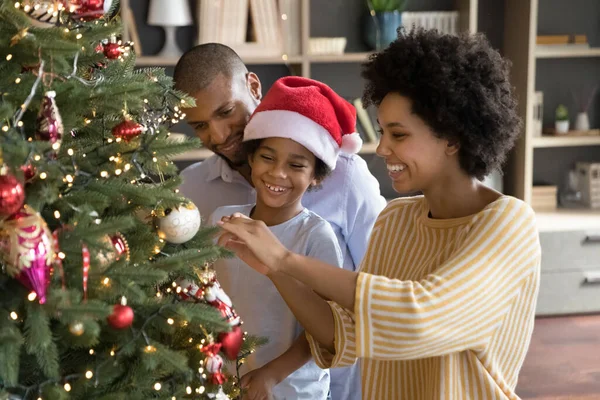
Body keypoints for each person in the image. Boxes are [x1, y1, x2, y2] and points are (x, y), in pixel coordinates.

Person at [216, 29, 542, 399]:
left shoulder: (507, 222)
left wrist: (285, 258)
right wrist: (275, 269)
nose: (382, 147)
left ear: (452, 137)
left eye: (398, 135)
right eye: (383, 132)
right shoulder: (395, 220)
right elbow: (345, 336)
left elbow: (419, 317)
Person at [174, 43, 386, 400]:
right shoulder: (194, 192)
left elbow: (379, 285)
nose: (219, 135)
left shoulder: (346, 178)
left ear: (253, 87)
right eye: (200, 126)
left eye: (227, 112)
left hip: (335, 385)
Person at [209, 76, 364, 399]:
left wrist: (271, 374)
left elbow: (324, 329)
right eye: (267, 157)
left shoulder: (315, 236)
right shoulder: (222, 221)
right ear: (251, 157)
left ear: (316, 177)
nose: (278, 173)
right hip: (224, 386)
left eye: (296, 165)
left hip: (293, 392)